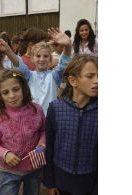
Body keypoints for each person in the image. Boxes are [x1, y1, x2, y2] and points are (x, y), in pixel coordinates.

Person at [43, 54, 98, 195]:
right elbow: (49, 147)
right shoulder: (55, 108)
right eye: (90, 76)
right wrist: (50, 182)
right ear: (73, 81)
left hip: (90, 182)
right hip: (61, 180)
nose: (97, 81)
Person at [0, 69, 46, 195]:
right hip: (9, 170)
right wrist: (5, 153)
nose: (12, 95)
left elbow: (43, 130)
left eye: (16, 89)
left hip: (34, 167)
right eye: (5, 92)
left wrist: (42, 142)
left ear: (24, 88)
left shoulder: (37, 110)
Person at [0, 27, 71, 115]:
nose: (42, 59)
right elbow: (18, 63)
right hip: (33, 118)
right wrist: (7, 49)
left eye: (45, 56)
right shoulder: (29, 75)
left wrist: (67, 46)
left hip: (51, 119)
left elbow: (63, 64)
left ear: (50, 59)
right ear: (32, 59)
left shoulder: (55, 76)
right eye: (38, 56)